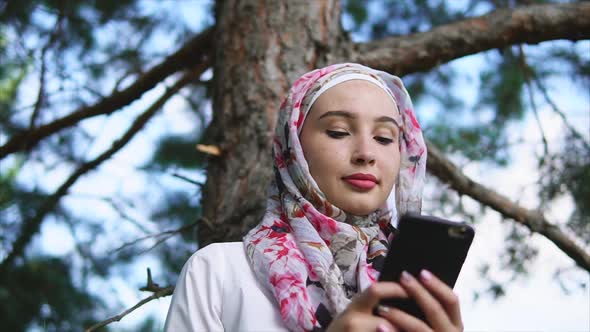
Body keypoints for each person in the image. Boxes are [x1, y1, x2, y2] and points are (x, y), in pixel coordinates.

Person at [164, 63, 464, 332]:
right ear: (292, 148)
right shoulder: (219, 271)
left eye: (385, 138)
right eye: (338, 131)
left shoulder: (420, 294)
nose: (366, 154)